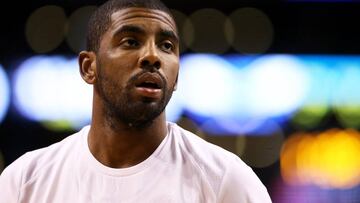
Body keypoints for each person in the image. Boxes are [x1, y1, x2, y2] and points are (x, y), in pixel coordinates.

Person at [0, 0, 272, 202]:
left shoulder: (226, 180)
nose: (153, 57)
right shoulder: (25, 180)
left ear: (176, 77)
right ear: (88, 67)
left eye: (167, 46)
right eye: (130, 42)